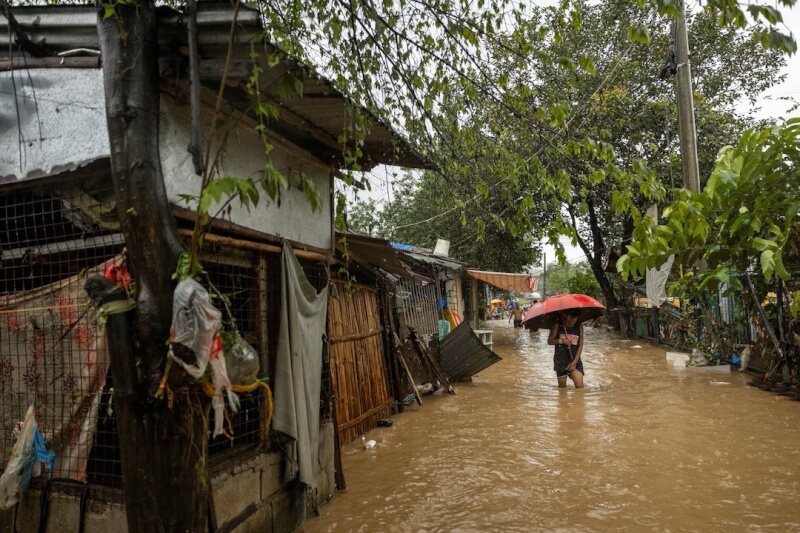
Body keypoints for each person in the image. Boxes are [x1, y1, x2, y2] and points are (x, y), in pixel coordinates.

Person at [547, 309, 584, 388]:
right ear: (565, 315)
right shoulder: (557, 325)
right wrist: (561, 341)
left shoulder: (579, 326)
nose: (574, 320)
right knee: (562, 388)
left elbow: (580, 345)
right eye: (572, 317)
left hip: (575, 360)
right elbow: (550, 341)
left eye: (575, 318)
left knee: (579, 385)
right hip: (561, 361)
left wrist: (574, 362)